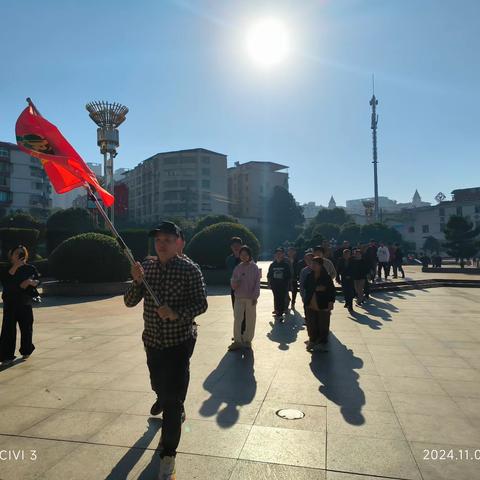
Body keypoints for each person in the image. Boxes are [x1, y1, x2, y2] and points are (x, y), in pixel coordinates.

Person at [124, 221, 207, 480]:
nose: (162, 244)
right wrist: (137, 282)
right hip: (152, 341)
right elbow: (129, 302)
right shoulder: (145, 267)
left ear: (179, 242)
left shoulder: (189, 270)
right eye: (158, 240)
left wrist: (176, 313)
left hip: (179, 342)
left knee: (172, 400)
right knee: (158, 385)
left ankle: (168, 455)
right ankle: (165, 396)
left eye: (168, 240)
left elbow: (201, 305)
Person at [0, 246, 40, 364]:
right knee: (8, 330)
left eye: (21, 253)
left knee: (27, 329)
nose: (19, 255)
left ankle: (26, 350)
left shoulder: (30, 268)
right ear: (11, 255)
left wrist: (30, 282)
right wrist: (16, 266)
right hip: (10, 303)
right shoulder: (5, 268)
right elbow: (7, 282)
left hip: (25, 302)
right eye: (16, 253)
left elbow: (37, 280)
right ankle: (6, 356)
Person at [229, 246, 261, 351]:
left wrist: (255, 296)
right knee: (237, 319)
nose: (243, 257)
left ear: (249, 255)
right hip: (239, 297)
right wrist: (235, 283)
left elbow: (257, 283)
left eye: (246, 255)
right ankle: (237, 341)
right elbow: (232, 282)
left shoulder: (254, 268)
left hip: (250, 298)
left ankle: (247, 340)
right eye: (242, 254)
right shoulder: (238, 268)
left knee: (250, 320)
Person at [303, 257, 336, 352]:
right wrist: (316, 288)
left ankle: (322, 341)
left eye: (315, 264)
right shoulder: (309, 275)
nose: (313, 265)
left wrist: (331, 302)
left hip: (323, 302)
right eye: (312, 263)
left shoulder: (326, 277)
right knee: (311, 323)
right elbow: (305, 286)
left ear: (321, 265)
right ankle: (312, 339)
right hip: (310, 302)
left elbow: (331, 291)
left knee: (323, 323)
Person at [267, 247, 292, 321]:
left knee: (281, 298)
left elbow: (289, 276)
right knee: (276, 298)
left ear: (283, 255)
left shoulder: (286, 265)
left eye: (280, 254)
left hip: (283, 285)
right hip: (275, 285)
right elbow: (269, 275)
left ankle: (280, 313)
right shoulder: (272, 265)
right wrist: (269, 283)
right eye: (277, 254)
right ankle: (278, 311)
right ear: (274, 255)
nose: (278, 255)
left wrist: (289, 284)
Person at [336, 249, 355, 313]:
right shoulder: (340, 260)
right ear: (343, 254)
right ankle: (347, 302)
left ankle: (350, 306)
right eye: (345, 254)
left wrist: (351, 275)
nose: (347, 255)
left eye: (348, 254)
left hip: (351, 278)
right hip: (344, 278)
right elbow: (338, 269)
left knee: (350, 292)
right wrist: (337, 277)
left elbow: (354, 269)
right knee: (345, 291)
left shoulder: (352, 260)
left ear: (350, 255)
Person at [226, 237, 243, 308]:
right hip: (234, 288)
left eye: (237, 245)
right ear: (231, 247)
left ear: (241, 246)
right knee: (236, 308)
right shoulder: (229, 259)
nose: (236, 247)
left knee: (246, 310)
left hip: (245, 287)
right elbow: (229, 273)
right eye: (234, 246)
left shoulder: (246, 258)